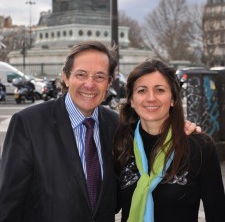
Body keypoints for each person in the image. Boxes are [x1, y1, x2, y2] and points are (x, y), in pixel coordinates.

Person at [0, 41, 200, 222]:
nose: (90, 84)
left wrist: (180, 127)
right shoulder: (28, 124)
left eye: (99, 76)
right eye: (81, 74)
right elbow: (8, 204)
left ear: (109, 83)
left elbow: (153, 125)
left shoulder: (118, 126)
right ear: (65, 77)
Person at [113, 59, 225, 222]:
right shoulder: (120, 144)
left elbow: (217, 212)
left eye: (160, 90)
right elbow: (109, 204)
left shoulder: (199, 146)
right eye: (142, 90)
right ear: (131, 100)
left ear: (173, 99)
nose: (151, 98)